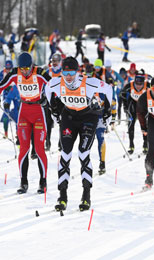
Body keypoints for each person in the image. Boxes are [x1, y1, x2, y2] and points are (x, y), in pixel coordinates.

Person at [45, 57, 113, 211]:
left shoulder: (88, 82)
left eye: (71, 72)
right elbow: (47, 89)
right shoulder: (57, 82)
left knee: (83, 154)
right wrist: (53, 108)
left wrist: (108, 111)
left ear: (77, 72)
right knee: (65, 154)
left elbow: (108, 89)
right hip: (69, 117)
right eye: (65, 72)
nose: (68, 76)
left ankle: (86, 195)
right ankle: (62, 197)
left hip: (88, 117)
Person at [0, 52, 51, 194]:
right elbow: (0, 86)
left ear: (32, 65)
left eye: (27, 68)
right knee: (23, 149)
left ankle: (42, 182)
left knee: (38, 149)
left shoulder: (39, 72)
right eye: (22, 69)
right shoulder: (15, 73)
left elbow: (53, 85)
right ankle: (23, 182)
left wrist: (46, 98)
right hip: (24, 112)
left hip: (38, 112)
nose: (25, 72)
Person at [120, 71, 150, 155]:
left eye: (141, 84)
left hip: (143, 107)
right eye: (137, 84)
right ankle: (131, 145)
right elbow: (122, 94)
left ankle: (145, 145)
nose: (139, 86)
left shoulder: (148, 85)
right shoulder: (130, 85)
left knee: (144, 126)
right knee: (131, 125)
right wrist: (125, 106)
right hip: (133, 106)